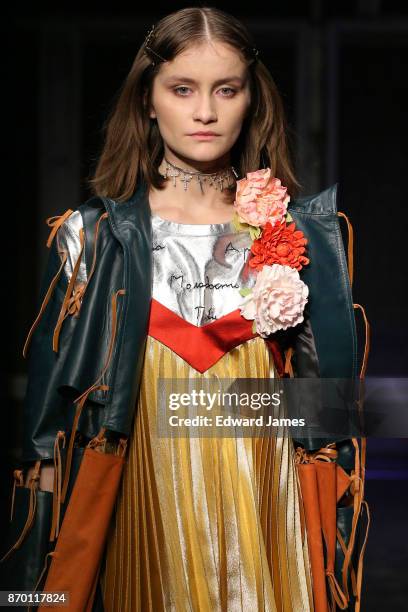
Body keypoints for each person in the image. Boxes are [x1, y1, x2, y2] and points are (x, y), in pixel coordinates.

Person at [1, 6, 370, 612]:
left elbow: (329, 414)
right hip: (136, 495)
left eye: (226, 89)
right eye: (182, 89)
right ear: (147, 99)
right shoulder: (92, 238)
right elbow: (49, 428)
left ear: (252, 98)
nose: (205, 111)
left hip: (267, 505)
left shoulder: (300, 238)